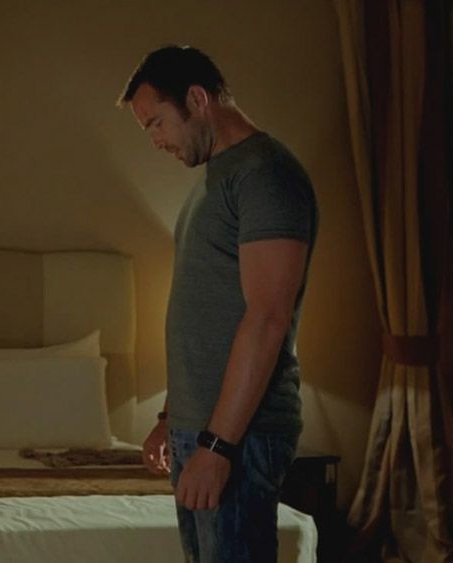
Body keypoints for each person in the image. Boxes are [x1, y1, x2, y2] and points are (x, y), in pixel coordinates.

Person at [119, 46, 318, 562]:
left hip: (238, 437)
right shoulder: (215, 179)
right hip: (200, 430)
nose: (156, 140)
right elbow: (204, 313)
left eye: (157, 123)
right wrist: (171, 415)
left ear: (197, 99)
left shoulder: (266, 175)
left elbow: (268, 317)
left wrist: (218, 446)